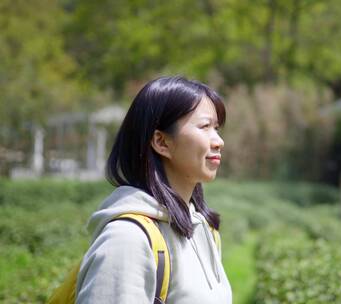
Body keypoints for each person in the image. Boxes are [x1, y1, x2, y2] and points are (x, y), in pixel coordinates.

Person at [75, 76, 232, 303]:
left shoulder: (204, 231)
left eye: (216, 128)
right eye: (205, 126)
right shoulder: (127, 240)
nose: (219, 141)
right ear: (161, 142)